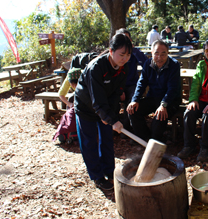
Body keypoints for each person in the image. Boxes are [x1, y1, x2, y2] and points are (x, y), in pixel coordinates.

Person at [74, 33, 132, 191]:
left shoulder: (123, 67)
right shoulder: (96, 68)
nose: (124, 58)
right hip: (86, 106)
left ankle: (109, 170)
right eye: (121, 54)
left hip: (104, 106)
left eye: (128, 55)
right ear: (111, 51)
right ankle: (97, 176)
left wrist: (112, 117)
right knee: (89, 142)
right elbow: (97, 100)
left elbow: (117, 93)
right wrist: (109, 118)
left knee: (107, 139)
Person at [127, 40, 181, 142]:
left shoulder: (174, 65)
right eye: (156, 54)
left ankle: (154, 141)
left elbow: (172, 88)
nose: (159, 58)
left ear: (167, 53)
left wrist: (163, 105)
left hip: (170, 100)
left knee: (159, 117)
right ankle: (144, 138)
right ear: (152, 53)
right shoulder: (148, 64)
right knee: (132, 111)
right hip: (153, 98)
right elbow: (141, 83)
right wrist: (135, 100)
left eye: (163, 54)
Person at [115, 28, 148, 131]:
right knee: (111, 99)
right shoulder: (115, 55)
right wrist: (119, 90)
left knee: (133, 100)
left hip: (131, 84)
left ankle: (126, 129)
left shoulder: (133, 53)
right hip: (116, 85)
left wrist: (134, 50)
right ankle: (113, 126)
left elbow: (146, 64)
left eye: (127, 39)